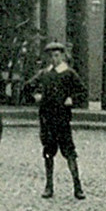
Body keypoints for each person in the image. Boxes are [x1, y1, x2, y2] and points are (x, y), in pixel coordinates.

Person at [29, 40, 86, 199]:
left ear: (62, 56)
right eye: (51, 56)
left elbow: (82, 92)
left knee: (69, 153)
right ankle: (49, 186)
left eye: (57, 55)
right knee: (48, 152)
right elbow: (28, 86)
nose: (54, 59)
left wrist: (71, 99)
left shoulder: (69, 73)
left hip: (62, 119)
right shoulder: (44, 73)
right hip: (47, 119)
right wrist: (36, 95)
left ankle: (77, 186)